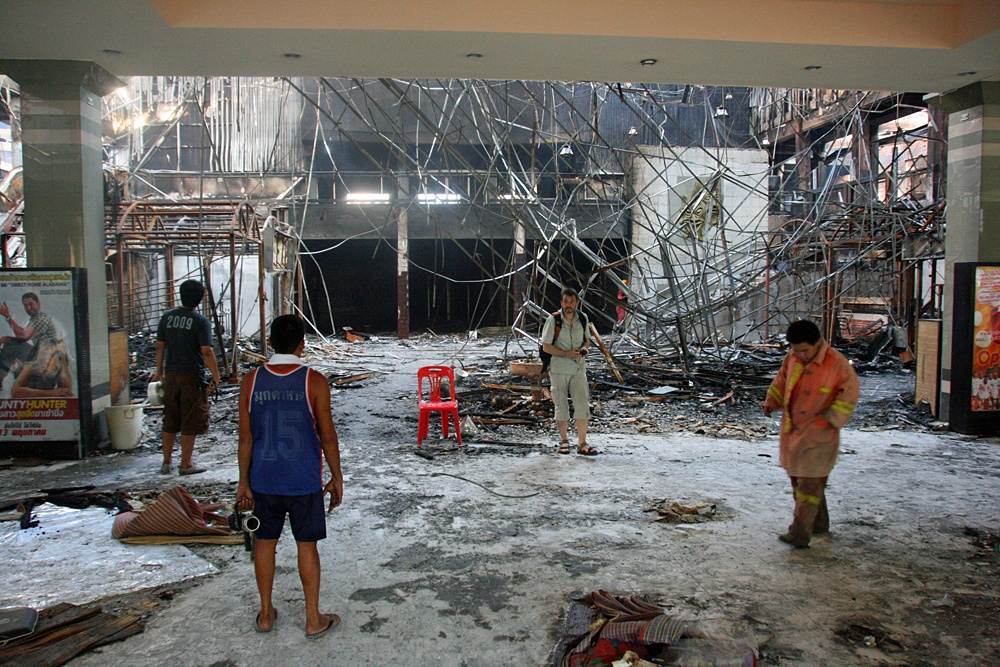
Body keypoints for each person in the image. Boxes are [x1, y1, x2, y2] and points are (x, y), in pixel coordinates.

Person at [236, 314, 343, 638]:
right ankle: (313, 619)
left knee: (264, 544)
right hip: (303, 480)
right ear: (302, 344)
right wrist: (337, 477)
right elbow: (327, 436)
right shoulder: (314, 381)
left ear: (269, 342)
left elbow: (245, 439)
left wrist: (244, 483)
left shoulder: (251, 381)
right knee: (306, 546)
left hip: (264, 478)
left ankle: (266, 614)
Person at [763, 320, 859, 549]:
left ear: (818, 344)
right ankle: (818, 523)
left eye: (805, 350)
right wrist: (771, 400)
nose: (801, 355)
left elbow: (850, 394)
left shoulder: (837, 364)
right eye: (796, 351)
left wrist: (833, 417)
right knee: (801, 480)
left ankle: (799, 533)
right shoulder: (792, 359)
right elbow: (782, 380)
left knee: (809, 484)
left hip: (820, 434)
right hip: (794, 432)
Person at [150, 280, 220, 475]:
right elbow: (206, 351)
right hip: (192, 377)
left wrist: (159, 372)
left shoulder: (167, 317)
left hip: (171, 376)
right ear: (200, 298)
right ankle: (185, 464)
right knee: (190, 420)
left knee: (170, 418)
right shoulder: (200, 321)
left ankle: (166, 462)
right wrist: (217, 376)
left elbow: (160, 346)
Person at [541, 287, 598, 455]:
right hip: (559, 368)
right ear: (561, 303)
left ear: (577, 303)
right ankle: (564, 440)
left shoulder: (582, 318)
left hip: (578, 368)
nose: (568, 305)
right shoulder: (554, 320)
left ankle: (582, 443)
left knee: (581, 404)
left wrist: (585, 349)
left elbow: (587, 340)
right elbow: (546, 346)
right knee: (561, 405)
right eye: (565, 301)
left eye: (571, 301)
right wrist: (565, 353)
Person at [0, 292, 59, 391]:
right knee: (9, 345)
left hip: (47, 366)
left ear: (38, 304)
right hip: (39, 361)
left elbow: (23, 335)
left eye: (30, 304)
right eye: (25, 305)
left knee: (10, 343)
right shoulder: (34, 319)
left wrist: (8, 317)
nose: (28, 307)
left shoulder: (42, 318)